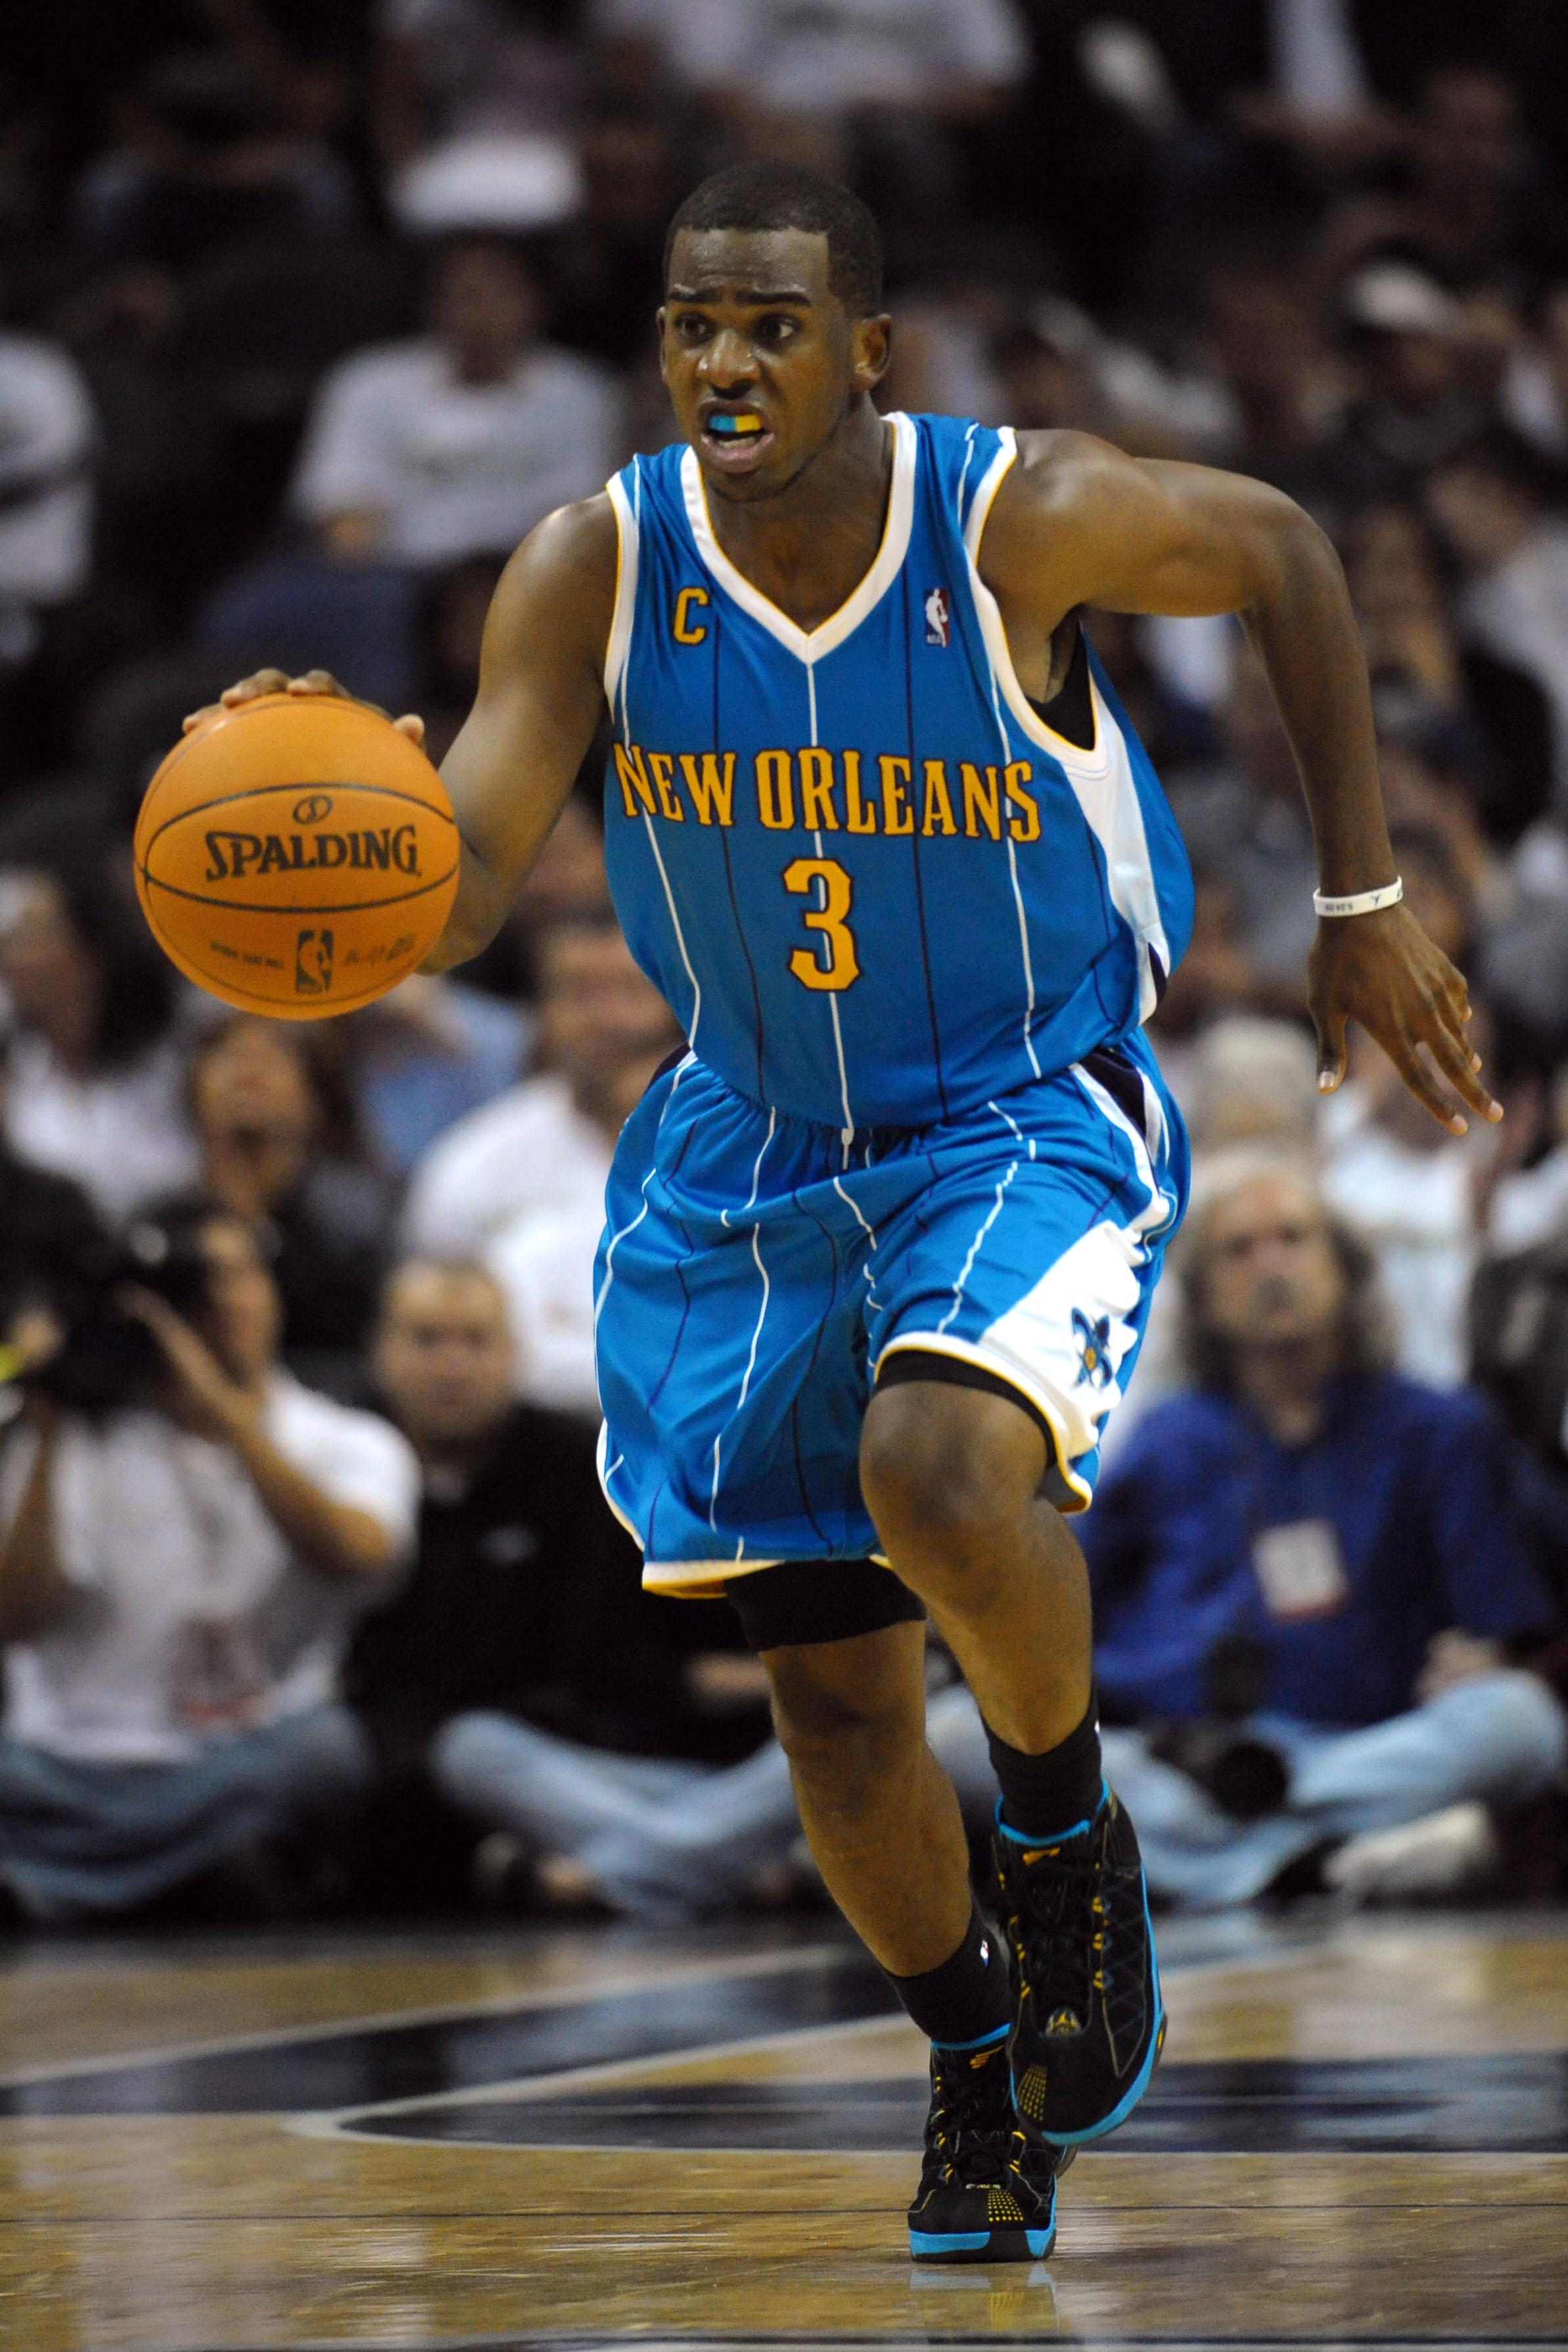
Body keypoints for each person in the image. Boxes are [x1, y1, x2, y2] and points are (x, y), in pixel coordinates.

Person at [199, 161, 1498, 2269]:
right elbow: (460, 891)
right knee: (830, 1700)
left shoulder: (1016, 516)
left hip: (1015, 1106)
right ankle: (973, 2055)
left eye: (772, 324)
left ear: (866, 350)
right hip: (752, 1148)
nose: (725, 361)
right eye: (693, 323)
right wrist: (324, 821)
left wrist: (1359, 896)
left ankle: (1065, 1838)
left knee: (938, 1466)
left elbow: (1278, 543)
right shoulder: (593, 562)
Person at [1086, 1156, 1565, 1910]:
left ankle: (1230, 1857)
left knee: (1522, 1722)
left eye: (1292, 1238)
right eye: (1238, 1250)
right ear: (1204, 1299)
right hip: (1177, 1759)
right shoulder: (1167, 1435)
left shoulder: (1434, 1427)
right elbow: (1071, 1600)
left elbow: (1499, 1624)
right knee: (966, 1742)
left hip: (1367, 1746)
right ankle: (1319, 1862)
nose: (1269, 1266)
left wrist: (1489, 1656)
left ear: (1344, 1269)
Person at [0, 1202, 417, 1924]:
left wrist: (225, 1416)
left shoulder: (343, 1438)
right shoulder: (71, 1439)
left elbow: (355, 1557)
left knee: (327, 1755)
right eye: (197, 1286)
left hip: (242, 1753)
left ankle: (58, 1887)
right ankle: (180, 1871)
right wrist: (50, 1417)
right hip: (68, 1765)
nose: (225, 1303)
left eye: (240, 1276)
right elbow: (16, 1621)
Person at [350, 1255, 769, 1904]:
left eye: (475, 1341)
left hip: (583, 1752)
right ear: (381, 1352)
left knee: (778, 1768)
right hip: (456, 1756)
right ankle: (739, 1860)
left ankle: (625, 1871)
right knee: (470, 1753)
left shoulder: (578, 1462)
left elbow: (607, 1656)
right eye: (428, 1340)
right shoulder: (346, 1463)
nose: (452, 1366)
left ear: (514, 1355)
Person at [291, 236, 618, 567]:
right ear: (434, 305)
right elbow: (342, 513)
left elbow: (583, 522)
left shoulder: (580, 392)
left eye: (500, 297)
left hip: (531, 577)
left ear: (536, 303)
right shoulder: (367, 383)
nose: (482, 315)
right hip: (396, 573)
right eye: (468, 298)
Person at [400, 910, 681, 1259]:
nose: (607, 1018)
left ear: (678, 1005)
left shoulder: (729, 1151)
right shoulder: (473, 1172)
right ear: (543, 1011)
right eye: (580, 993)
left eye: (632, 990)